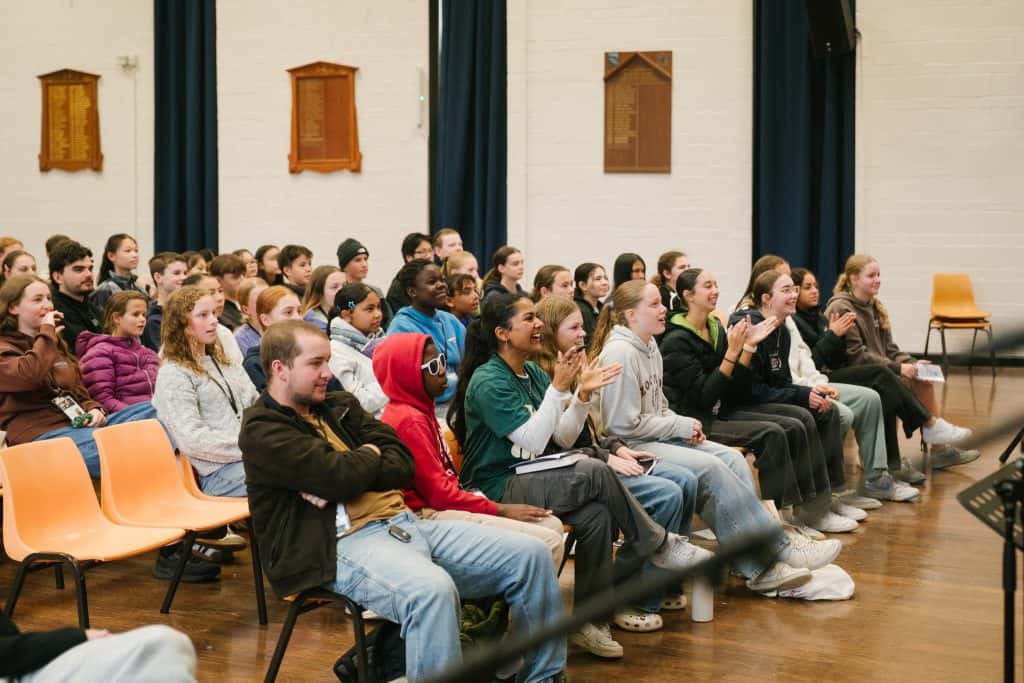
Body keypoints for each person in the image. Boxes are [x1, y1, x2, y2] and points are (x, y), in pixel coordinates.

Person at [239, 320, 568, 683]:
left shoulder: (340, 406)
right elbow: (337, 476)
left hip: (405, 524)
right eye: (316, 364)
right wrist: (360, 463)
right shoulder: (262, 429)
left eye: (328, 362)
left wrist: (353, 467)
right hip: (337, 545)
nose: (327, 373)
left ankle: (543, 677)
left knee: (532, 556)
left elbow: (401, 464)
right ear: (279, 369)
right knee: (432, 592)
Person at [450, 293, 728, 658]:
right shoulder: (489, 381)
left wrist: (580, 397)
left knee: (596, 515)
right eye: (529, 318)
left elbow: (561, 438)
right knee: (595, 470)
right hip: (498, 484)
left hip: (532, 473)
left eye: (537, 317)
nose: (538, 326)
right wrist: (560, 389)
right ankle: (658, 543)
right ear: (503, 332)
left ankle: (588, 622)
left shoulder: (531, 371)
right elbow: (533, 443)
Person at [591, 281, 838, 591]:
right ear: (630, 315)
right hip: (631, 447)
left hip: (656, 434)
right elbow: (621, 426)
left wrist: (681, 422)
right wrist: (678, 426)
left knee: (733, 460)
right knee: (711, 469)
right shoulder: (621, 353)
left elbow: (659, 407)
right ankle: (773, 551)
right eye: (654, 304)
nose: (663, 308)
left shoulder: (649, 345)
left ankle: (747, 560)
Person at [533, 296, 704, 632]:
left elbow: (595, 430)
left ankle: (664, 583)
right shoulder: (545, 375)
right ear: (552, 332)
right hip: (573, 471)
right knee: (667, 494)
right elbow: (557, 444)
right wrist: (606, 455)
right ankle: (632, 596)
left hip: (596, 458)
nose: (584, 334)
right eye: (574, 327)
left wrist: (617, 448)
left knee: (686, 481)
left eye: (583, 325)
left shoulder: (578, 363)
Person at [376, 332, 567, 567]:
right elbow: (439, 495)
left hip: (446, 503)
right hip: (427, 515)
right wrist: (500, 510)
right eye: (433, 366)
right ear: (407, 374)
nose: (443, 370)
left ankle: (509, 599)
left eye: (443, 361)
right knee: (548, 542)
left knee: (552, 526)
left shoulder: (419, 411)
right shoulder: (409, 420)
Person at [660, 268, 827, 515]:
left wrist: (748, 347)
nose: (715, 290)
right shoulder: (676, 341)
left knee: (793, 422)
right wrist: (733, 353)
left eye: (716, 284)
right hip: (696, 420)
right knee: (773, 433)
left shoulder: (715, 328)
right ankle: (777, 517)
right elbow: (704, 397)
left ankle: (808, 510)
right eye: (707, 285)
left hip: (724, 409)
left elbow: (735, 385)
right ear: (688, 295)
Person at [728, 271, 857, 533]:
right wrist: (799, 395)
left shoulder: (782, 330)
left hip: (764, 398)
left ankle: (822, 502)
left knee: (825, 411)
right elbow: (749, 392)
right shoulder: (751, 326)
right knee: (798, 420)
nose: (794, 295)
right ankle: (788, 513)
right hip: (742, 406)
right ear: (766, 298)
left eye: (794, 289)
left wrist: (808, 393)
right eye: (786, 290)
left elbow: (782, 383)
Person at [825, 255, 977, 473]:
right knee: (894, 380)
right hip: (856, 373)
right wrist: (898, 368)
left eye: (878, 275)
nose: (877, 279)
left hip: (880, 368)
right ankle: (886, 452)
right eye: (871, 276)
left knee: (923, 376)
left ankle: (939, 450)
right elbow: (857, 356)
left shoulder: (875, 306)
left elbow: (890, 349)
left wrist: (912, 363)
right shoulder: (841, 307)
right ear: (854, 279)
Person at [0, 276, 159, 477]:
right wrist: (47, 333)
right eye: (37, 299)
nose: (47, 305)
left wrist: (95, 409)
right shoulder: (7, 347)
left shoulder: (53, 345)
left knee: (159, 410)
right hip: (39, 435)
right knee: (125, 448)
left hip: (77, 425)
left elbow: (80, 394)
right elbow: (28, 375)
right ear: (13, 307)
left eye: (49, 298)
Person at [788, 267, 920, 501]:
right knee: (881, 379)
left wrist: (835, 335)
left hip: (825, 376)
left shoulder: (819, 317)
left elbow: (833, 359)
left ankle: (881, 474)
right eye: (807, 287)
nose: (815, 291)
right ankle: (833, 488)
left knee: (879, 392)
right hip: (812, 382)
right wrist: (833, 335)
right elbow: (813, 362)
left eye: (816, 286)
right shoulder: (794, 322)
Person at [152, 285, 259, 497]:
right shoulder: (174, 374)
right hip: (217, 473)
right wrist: (249, 448)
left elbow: (256, 404)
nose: (213, 321)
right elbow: (192, 439)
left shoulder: (227, 363)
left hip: (250, 457)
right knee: (289, 475)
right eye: (203, 315)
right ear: (181, 324)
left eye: (213, 313)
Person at [0, 612, 197, 683]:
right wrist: (78, 636)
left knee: (165, 645)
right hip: (16, 669)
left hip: (20, 665)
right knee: (161, 646)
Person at [388, 260, 465, 411]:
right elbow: (408, 383)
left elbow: (468, 363)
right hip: (425, 408)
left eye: (442, 280)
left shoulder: (450, 320)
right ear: (412, 291)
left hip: (458, 402)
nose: (442, 285)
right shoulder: (401, 328)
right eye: (432, 282)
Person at [77, 291, 160, 415]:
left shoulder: (149, 354)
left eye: (144, 314)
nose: (142, 319)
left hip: (154, 416)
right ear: (117, 318)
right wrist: (140, 415)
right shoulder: (100, 353)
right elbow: (103, 400)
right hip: (125, 420)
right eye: (136, 314)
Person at [328, 283, 388, 415]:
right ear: (347, 315)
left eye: (378, 307)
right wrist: (393, 382)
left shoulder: (380, 341)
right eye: (369, 309)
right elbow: (359, 403)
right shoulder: (336, 352)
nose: (378, 314)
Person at [242, 285, 304, 391]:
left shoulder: (307, 350)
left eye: (299, 311)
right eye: (288, 312)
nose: (298, 318)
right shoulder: (254, 364)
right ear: (266, 320)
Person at [48, 239, 100, 355]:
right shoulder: (54, 313)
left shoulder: (92, 306)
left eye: (90, 268)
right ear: (58, 277)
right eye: (79, 269)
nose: (88, 274)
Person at [183, 273, 243, 365]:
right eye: (210, 293)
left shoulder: (224, 333)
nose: (220, 298)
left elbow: (239, 369)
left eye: (220, 291)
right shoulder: (178, 340)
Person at [336, 237, 394, 329]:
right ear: (344, 266)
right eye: (358, 260)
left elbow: (388, 322)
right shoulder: (337, 292)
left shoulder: (375, 291)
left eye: (365, 259)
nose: (364, 264)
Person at [90, 233, 149, 319]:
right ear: (111, 256)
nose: (135, 255)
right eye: (128, 251)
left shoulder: (139, 287)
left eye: (136, 251)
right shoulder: (105, 290)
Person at [143, 252, 187, 351]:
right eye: (177, 273)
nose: (184, 277)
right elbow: (165, 355)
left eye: (185, 273)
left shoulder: (187, 311)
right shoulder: (153, 321)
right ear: (158, 277)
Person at [386, 232, 433, 313]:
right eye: (422, 252)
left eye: (430, 251)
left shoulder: (437, 278)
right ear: (409, 257)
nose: (428, 256)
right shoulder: (399, 287)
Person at [573, 262, 610, 350]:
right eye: (598, 279)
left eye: (605, 278)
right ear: (583, 285)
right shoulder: (578, 309)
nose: (604, 282)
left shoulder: (602, 307)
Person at [301, 265, 346, 332]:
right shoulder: (312, 319)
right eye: (334, 287)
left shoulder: (344, 310)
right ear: (320, 292)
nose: (342, 291)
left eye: (344, 285)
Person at [209, 253, 248, 331]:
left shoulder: (246, 301)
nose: (242, 280)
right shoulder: (219, 310)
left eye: (243, 275)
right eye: (236, 277)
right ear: (218, 280)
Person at [234, 276, 269, 355]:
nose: (267, 303)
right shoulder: (241, 338)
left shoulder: (283, 325)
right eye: (259, 301)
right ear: (246, 309)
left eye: (268, 297)